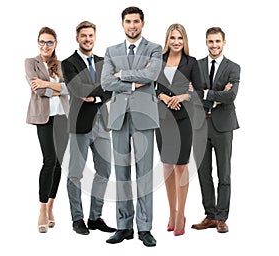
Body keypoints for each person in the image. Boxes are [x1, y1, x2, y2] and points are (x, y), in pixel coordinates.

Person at [101, 6, 162, 247]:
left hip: (144, 116)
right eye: (128, 21)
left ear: (143, 23)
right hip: (118, 117)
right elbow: (106, 82)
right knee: (122, 174)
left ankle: (144, 228)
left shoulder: (154, 48)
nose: (132, 25)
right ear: (122, 24)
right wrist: (133, 84)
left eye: (136, 21)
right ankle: (124, 226)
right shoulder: (110, 50)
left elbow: (152, 74)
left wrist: (122, 74)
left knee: (145, 174)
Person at [61, 21, 116, 235]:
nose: (87, 39)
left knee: (104, 171)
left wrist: (94, 96)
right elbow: (77, 89)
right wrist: (98, 92)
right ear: (77, 38)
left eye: (90, 35)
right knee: (76, 173)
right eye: (83, 36)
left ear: (95, 37)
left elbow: (111, 89)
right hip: (80, 124)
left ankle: (95, 217)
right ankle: (77, 219)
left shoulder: (104, 61)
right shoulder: (69, 63)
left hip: (103, 123)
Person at [155, 23, 203, 236]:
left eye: (180, 38)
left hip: (183, 119)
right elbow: (151, 87)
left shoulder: (191, 63)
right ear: (167, 39)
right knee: (166, 166)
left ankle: (181, 213)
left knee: (180, 167)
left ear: (184, 41)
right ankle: (172, 213)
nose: (176, 42)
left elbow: (199, 91)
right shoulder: (158, 61)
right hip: (163, 120)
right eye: (172, 38)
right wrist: (162, 96)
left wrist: (183, 96)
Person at [192, 27, 240, 233]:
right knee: (204, 173)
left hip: (223, 126)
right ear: (206, 42)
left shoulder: (233, 67)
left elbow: (231, 96)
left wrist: (205, 93)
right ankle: (210, 215)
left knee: (224, 174)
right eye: (210, 42)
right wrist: (216, 94)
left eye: (217, 41)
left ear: (224, 42)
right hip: (200, 125)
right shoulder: (197, 65)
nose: (214, 45)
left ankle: (222, 217)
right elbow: (192, 95)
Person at [25, 27, 69, 233]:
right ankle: (42, 209)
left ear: (55, 44)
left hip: (63, 117)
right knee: (49, 160)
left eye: (50, 42)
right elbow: (39, 90)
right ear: (37, 42)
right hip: (44, 118)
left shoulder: (61, 65)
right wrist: (54, 87)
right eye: (42, 42)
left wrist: (51, 86)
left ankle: (51, 206)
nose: (45, 46)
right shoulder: (30, 63)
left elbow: (70, 89)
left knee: (58, 163)